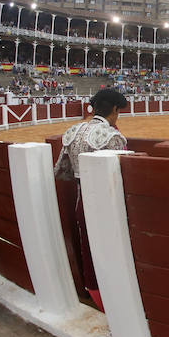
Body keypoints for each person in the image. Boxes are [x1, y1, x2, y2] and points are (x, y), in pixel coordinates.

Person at [53, 88, 127, 309]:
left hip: (82, 201)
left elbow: (61, 171)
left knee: (89, 248)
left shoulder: (72, 132)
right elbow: (124, 178)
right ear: (114, 110)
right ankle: (117, 300)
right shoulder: (113, 137)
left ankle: (96, 294)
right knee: (116, 248)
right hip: (109, 204)